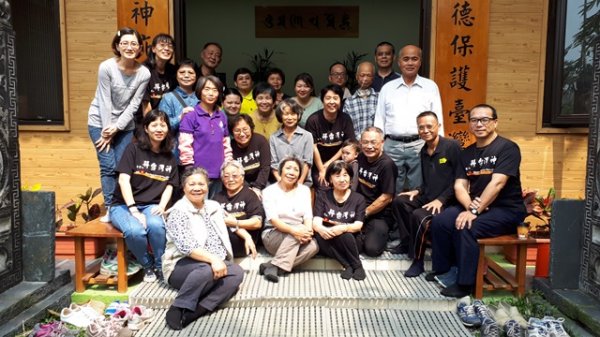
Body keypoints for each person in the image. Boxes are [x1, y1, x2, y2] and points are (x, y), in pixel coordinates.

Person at [429, 104, 526, 298]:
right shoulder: (466, 153)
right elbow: (459, 186)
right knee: (441, 221)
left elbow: (497, 183)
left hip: (505, 209)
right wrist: (469, 207)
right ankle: (444, 270)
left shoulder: (507, 148)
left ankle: (466, 284)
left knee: (467, 227)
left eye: (484, 120)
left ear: (495, 122)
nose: (479, 124)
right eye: (474, 120)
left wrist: (474, 212)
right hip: (478, 205)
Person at [163, 167, 243, 330]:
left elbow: (231, 223)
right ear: (184, 187)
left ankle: (198, 311)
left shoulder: (214, 206)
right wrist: (214, 260)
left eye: (201, 184)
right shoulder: (178, 212)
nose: (197, 188)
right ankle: (178, 307)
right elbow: (187, 247)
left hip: (212, 263)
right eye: (192, 184)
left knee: (237, 273)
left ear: (208, 186)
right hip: (181, 265)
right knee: (205, 271)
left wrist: (246, 236)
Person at [88, 27, 151, 222]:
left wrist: (117, 127)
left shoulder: (144, 73)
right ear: (117, 46)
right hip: (99, 122)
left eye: (134, 43)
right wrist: (108, 130)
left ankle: (120, 206)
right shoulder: (106, 67)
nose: (129, 47)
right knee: (108, 167)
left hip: (125, 125)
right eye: (125, 43)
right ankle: (110, 208)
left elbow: (135, 104)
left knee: (122, 168)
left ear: (140, 47)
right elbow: (104, 100)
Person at [110, 110, 179, 283]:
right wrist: (134, 211)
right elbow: (123, 180)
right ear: (146, 128)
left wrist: (162, 207)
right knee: (136, 231)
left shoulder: (169, 156)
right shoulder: (133, 149)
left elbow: (170, 184)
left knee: (156, 225)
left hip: (151, 205)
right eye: (154, 125)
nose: (159, 129)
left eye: (163, 125)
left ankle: (159, 265)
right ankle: (147, 266)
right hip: (123, 206)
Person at [391, 111, 461, 277]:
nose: (425, 130)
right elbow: (429, 180)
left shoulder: (452, 146)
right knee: (399, 202)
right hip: (429, 196)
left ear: (439, 126)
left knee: (418, 215)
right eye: (421, 127)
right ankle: (408, 242)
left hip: (448, 201)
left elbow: (460, 180)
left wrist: (441, 200)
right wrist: (418, 190)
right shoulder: (423, 150)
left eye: (429, 126)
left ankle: (417, 261)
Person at [374, 44, 443, 192]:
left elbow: (437, 117)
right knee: (390, 187)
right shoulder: (388, 88)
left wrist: (439, 145)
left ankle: (414, 215)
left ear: (420, 62)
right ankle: (391, 215)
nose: (410, 63)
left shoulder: (430, 86)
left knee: (418, 187)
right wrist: (378, 144)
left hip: (420, 144)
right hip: (391, 145)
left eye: (414, 59)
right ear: (399, 62)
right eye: (406, 59)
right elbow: (380, 118)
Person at [261, 157, 318, 283]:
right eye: (288, 168)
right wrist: (296, 231)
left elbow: (308, 216)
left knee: (313, 246)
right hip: (273, 234)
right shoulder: (269, 191)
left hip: (298, 234)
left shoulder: (304, 190)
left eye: (296, 170)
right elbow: (274, 220)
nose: (292, 172)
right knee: (296, 233)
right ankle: (277, 266)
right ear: (281, 171)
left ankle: (272, 266)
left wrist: (307, 231)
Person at [179, 75, 232, 198]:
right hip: (198, 175)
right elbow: (185, 146)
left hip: (219, 172)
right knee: (199, 209)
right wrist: (190, 170)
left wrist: (227, 165)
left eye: (215, 90)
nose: (211, 93)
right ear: (199, 91)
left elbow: (226, 145)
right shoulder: (191, 115)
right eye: (207, 89)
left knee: (215, 208)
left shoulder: (221, 115)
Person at [313, 161, 367, 280]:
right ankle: (348, 265)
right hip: (329, 239)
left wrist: (342, 228)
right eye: (337, 176)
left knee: (345, 235)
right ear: (330, 179)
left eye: (345, 175)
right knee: (318, 236)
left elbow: (358, 225)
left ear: (350, 178)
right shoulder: (323, 195)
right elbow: (316, 221)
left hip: (352, 241)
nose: (342, 180)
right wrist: (322, 230)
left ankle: (356, 266)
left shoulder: (359, 198)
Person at [355, 127, 397, 257]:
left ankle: (379, 234)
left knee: (372, 249)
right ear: (360, 143)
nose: (369, 146)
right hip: (359, 209)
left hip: (378, 214)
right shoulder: (361, 157)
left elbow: (386, 197)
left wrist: (364, 214)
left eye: (373, 142)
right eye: (365, 142)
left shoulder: (387, 165)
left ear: (382, 143)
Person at [305, 84, 356, 191]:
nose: (332, 102)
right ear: (322, 100)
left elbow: (347, 145)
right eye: (328, 98)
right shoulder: (313, 120)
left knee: (344, 185)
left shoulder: (345, 119)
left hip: (340, 162)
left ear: (340, 101)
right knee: (324, 186)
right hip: (318, 163)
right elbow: (313, 147)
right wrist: (322, 169)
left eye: (335, 98)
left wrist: (328, 164)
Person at [213, 161, 263, 257]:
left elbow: (257, 223)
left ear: (242, 177)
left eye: (234, 176)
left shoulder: (250, 195)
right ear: (222, 179)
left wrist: (235, 223)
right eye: (226, 176)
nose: (230, 179)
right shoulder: (217, 198)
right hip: (221, 242)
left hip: (243, 244)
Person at [158, 59, 199, 161]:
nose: (186, 75)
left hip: (199, 151)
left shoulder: (201, 98)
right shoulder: (168, 98)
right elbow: (161, 126)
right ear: (176, 75)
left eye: (190, 72)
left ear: (196, 76)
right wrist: (180, 118)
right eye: (182, 72)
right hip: (175, 153)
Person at [269, 98, 314, 186]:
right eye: (286, 114)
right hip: (280, 182)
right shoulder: (273, 137)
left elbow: (307, 163)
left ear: (298, 116)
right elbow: (274, 164)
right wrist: (281, 182)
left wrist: (299, 184)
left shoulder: (307, 136)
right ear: (280, 116)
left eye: (293, 114)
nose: (289, 118)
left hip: (303, 182)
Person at [230, 114, 271, 195]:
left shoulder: (260, 141)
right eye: (237, 130)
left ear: (251, 128)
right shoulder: (230, 146)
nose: (242, 134)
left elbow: (265, 167)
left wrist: (257, 187)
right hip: (240, 185)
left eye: (245, 129)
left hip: (263, 183)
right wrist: (247, 189)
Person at [141, 34, 177, 117]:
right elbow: (145, 105)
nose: (167, 48)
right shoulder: (144, 71)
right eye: (162, 45)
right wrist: (152, 126)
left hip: (167, 119)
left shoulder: (173, 71)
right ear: (153, 49)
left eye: (170, 46)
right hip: (149, 120)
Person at [343, 62, 378, 139]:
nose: (365, 78)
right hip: (356, 145)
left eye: (368, 75)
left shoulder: (379, 98)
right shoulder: (349, 102)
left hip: (376, 144)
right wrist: (361, 140)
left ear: (373, 77)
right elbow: (347, 126)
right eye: (362, 75)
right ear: (357, 77)